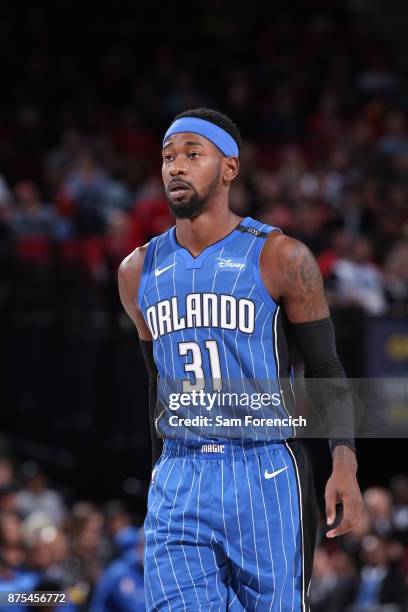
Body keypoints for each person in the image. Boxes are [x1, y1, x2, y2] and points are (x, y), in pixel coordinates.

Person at [118, 108, 363, 610]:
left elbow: (325, 368)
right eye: (167, 158)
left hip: (265, 470)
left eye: (192, 155)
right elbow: (156, 387)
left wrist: (345, 460)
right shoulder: (136, 270)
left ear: (229, 168)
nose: (176, 167)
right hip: (180, 477)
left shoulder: (282, 256)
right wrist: (157, 470)